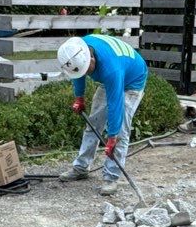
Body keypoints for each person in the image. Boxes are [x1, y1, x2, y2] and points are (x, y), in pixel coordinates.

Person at [57, 32, 147, 189]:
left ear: (92, 59)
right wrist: (79, 97)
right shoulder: (76, 50)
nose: (86, 74)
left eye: (87, 70)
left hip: (133, 80)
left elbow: (115, 104)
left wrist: (112, 137)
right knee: (94, 123)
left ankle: (111, 176)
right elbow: (78, 74)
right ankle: (81, 167)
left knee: (120, 133)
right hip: (112, 75)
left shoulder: (111, 69)